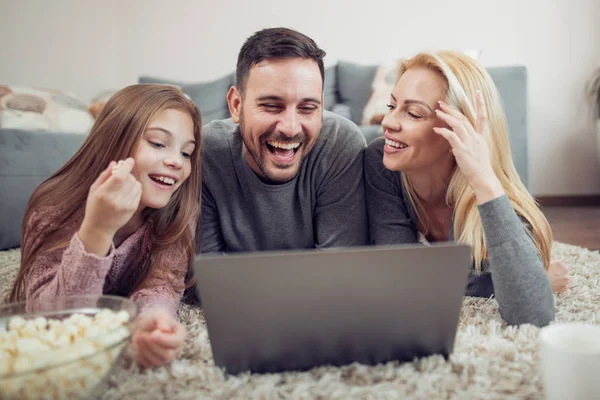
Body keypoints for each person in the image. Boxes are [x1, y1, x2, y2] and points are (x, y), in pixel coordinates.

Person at [9, 84, 202, 367]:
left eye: (187, 153)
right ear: (114, 142)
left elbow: (161, 285)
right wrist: (97, 230)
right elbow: (53, 322)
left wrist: (153, 324)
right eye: (158, 143)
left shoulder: (178, 213)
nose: (176, 161)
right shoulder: (52, 209)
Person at [364, 50, 561, 327]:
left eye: (413, 113)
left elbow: (532, 312)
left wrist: (483, 179)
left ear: (459, 129)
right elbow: (401, 279)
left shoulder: (494, 195)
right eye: (391, 106)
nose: (388, 123)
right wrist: (491, 283)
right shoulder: (381, 162)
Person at [200, 27, 368, 253]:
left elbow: (339, 274)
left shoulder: (340, 144)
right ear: (236, 105)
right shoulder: (205, 151)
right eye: (271, 106)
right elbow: (205, 276)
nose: (290, 128)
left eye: (307, 108)